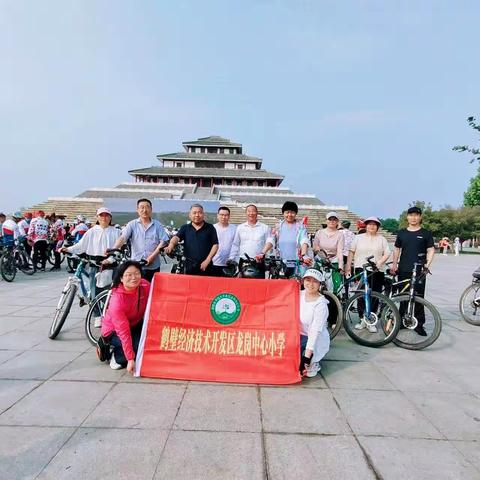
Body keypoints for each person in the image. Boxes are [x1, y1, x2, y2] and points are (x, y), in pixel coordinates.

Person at [96, 261, 150, 371]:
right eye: (128, 275)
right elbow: (123, 332)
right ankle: (117, 357)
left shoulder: (144, 285)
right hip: (114, 331)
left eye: (136, 273)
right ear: (121, 278)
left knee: (147, 342)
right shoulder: (117, 301)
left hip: (134, 323)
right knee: (135, 347)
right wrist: (130, 359)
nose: (134, 278)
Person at [391, 206, 434, 336]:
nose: (413, 218)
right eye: (411, 215)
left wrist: (427, 265)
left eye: (416, 215)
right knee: (403, 296)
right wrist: (394, 264)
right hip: (403, 268)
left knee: (419, 297)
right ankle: (402, 321)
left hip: (419, 270)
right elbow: (397, 249)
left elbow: (431, 250)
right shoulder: (402, 233)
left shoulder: (426, 233)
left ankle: (419, 324)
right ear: (407, 217)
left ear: (420, 217)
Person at [346, 216, 391, 333]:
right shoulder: (358, 238)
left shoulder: (382, 239)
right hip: (361, 268)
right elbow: (351, 252)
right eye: (369, 224)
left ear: (378, 227)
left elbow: (387, 253)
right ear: (365, 226)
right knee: (361, 294)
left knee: (374, 295)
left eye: (374, 224)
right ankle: (362, 319)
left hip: (376, 270)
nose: (372, 226)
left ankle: (371, 320)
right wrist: (347, 267)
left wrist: (379, 262)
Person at [61, 207, 121, 292]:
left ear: (110, 217)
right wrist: (68, 249)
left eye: (106, 215)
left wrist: (110, 259)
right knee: (94, 292)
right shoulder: (91, 231)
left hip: (110, 265)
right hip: (94, 264)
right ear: (97, 217)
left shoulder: (116, 232)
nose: (104, 217)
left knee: (109, 292)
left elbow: (119, 248)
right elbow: (81, 245)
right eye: (101, 215)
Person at [112, 198, 170, 282]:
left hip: (153, 266)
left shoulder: (157, 225)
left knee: (151, 290)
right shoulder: (132, 224)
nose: (144, 210)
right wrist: (113, 249)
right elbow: (123, 238)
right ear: (137, 210)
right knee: (136, 289)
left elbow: (163, 242)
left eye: (147, 207)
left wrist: (152, 257)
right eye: (142, 207)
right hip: (136, 265)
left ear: (151, 209)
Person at [164, 204, 219, 275]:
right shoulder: (185, 228)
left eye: (199, 212)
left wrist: (207, 260)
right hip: (188, 267)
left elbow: (215, 245)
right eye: (194, 213)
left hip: (206, 266)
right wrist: (171, 245)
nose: (197, 215)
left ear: (203, 214)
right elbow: (176, 237)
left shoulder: (210, 228)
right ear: (189, 215)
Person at [264, 201, 312, 278]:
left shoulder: (301, 227)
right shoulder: (278, 226)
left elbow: (304, 240)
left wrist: (304, 255)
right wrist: (262, 252)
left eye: (292, 212)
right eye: (287, 212)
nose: (289, 215)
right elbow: (270, 240)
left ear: (296, 213)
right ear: (283, 213)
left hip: (297, 263)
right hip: (280, 264)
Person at [299, 268, 330, 378]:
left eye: (315, 281)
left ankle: (313, 360)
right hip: (298, 336)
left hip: (315, 339)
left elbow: (314, 331)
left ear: (320, 284)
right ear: (303, 281)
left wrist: (306, 358)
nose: (311, 284)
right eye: (308, 280)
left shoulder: (321, 304)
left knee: (305, 370)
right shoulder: (298, 295)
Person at [313, 211, 344, 292]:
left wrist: (341, 266)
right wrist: (322, 256)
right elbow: (316, 246)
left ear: (337, 222)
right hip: (321, 259)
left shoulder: (340, 235)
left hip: (334, 261)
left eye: (334, 220)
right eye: (330, 219)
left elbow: (340, 250)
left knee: (335, 285)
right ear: (326, 221)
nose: (332, 221)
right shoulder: (319, 233)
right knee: (317, 283)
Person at [211, 206, 236, 277]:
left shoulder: (234, 229)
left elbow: (236, 245)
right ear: (217, 215)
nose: (223, 217)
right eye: (221, 215)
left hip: (229, 263)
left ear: (229, 216)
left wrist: (232, 258)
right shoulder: (212, 228)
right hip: (213, 262)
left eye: (226, 215)